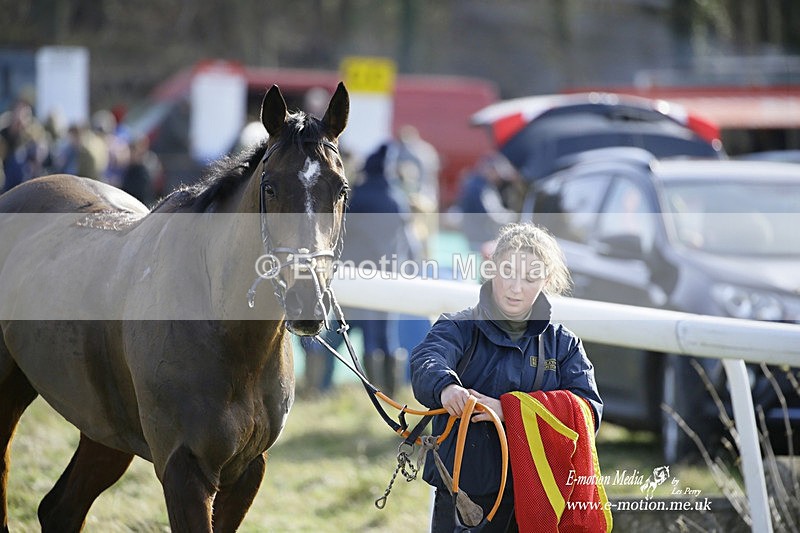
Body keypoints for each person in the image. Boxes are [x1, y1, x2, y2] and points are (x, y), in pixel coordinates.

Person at [410, 222, 603, 532]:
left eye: (530, 278)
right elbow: (426, 358)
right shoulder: (459, 327)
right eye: (508, 273)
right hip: (464, 497)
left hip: (542, 498)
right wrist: (445, 387)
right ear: (491, 268)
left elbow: (588, 413)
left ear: (547, 280)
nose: (516, 287)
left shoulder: (563, 344)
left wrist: (509, 410)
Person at [302, 142, 421, 396]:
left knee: (333, 336)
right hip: (387, 282)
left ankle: (318, 389)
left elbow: (339, 237)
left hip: (354, 280)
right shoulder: (398, 199)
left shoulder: (358, 196)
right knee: (383, 343)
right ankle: (387, 396)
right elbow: (407, 241)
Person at [456, 153, 521, 253]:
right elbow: (493, 215)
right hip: (480, 236)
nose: (499, 177)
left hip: (474, 234)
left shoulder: (474, 182)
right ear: (491, 170)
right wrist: (513, 217)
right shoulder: (481, 188)